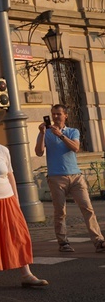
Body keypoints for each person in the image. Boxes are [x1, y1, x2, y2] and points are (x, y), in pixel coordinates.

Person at [0, 115, 48, 287]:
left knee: (17, 236)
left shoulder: (2, 150)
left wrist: (16, 200)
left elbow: (10, 174)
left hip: (6, 201)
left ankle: (26, 274)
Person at [34, 104, 105, 253]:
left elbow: (75, 147)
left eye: (58, 114)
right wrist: (41, 134)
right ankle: (63, 242)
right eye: (53, 114)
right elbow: (39, 152)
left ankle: (98, 240)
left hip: (75, 177)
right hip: (56, 177)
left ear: (65, 115)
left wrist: (60, 135)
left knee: (87, 208)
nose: (55, 117)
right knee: (60, 212)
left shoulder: (73, 131)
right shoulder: (46, 132)